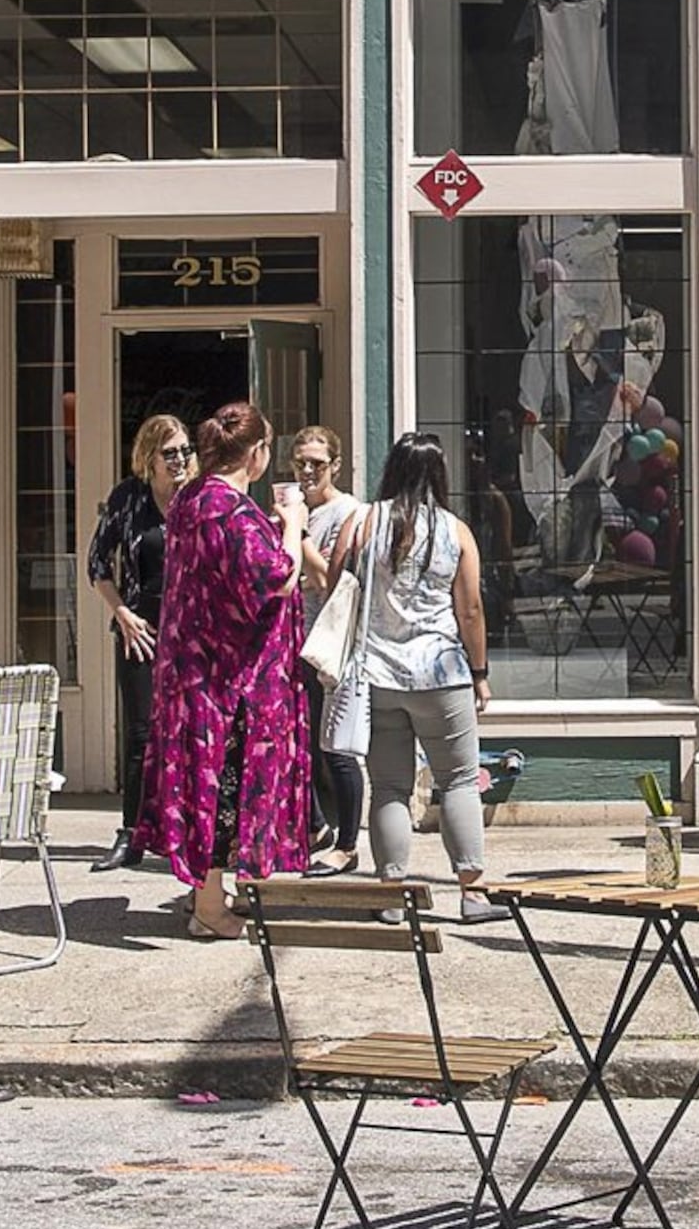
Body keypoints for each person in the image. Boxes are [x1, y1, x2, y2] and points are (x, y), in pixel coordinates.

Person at [142, 402, 317, 938]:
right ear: (259, 454)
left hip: (193, 674)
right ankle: (210, 907)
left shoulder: (191, 499)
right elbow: (277, 577)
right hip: (230, 681)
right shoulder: (231, 510)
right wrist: (293, 524)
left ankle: (210, 892)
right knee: (224, 788)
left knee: (203, 786)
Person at [326, 432, 499, 915]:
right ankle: (471, 891)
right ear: (439, 475)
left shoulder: (362, 523)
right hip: (442, 673)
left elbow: (336, 583)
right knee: (460, 780)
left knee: (389, 787)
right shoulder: (454, 531)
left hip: (378, 675)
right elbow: (470, 610)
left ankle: (392, 895)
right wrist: (480, 671)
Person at [84, 413, 190, 872]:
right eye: (171, 454)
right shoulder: (129, 499)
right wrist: (121, 612)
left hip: (192, 628)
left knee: (192, 732)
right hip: (141, 624)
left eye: (186, 451)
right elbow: (96, 563)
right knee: (144, 734)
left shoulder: (202, 499)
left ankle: (187, 831)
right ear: (149, 458)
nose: (181, 461)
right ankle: (132, 834)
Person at [288, 427, 373, 873]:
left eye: (316, 464)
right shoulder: (294, 512)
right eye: (299, 462)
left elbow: (329, 579)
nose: (306, 471)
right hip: (293, 639)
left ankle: (347, 841)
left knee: (336, 747)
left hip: (333, 643)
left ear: (335, 466)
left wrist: (297, 532)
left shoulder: (349, 513)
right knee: (297, 742)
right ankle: (314, 825)